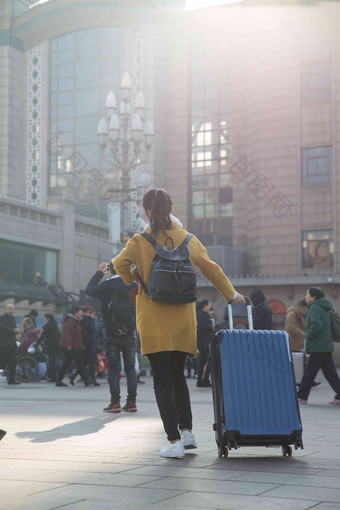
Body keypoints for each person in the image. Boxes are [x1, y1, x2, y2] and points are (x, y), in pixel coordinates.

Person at [113, 188, 245, 458]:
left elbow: (118, 265)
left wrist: (137, 281)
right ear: (172, 210)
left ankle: (172, 441)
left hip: (153, 319)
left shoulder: (139, 241)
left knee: (161, 378)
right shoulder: (189, 238)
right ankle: (187, 433)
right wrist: (232, 295)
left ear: (148, 211)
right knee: (178, 376)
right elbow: (212, 268)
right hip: (184, 320)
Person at [85, 262, 138, 412]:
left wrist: (98, 273)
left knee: (113, 368)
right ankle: (132, 402)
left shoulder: (106, 285)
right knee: (130, 368)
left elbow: (89, 290)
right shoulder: (133, 284)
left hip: (111, 331)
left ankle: (115, 403)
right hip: (129, 331)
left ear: (110, 270)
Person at [298, 287, 340, 405]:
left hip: (318, 346)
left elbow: (317, 325)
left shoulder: (315, 308)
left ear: (313, 297)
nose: (305, 297)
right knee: (330, 373)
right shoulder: (324, 307)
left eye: (307, 294)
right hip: (325, 344)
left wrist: (308, 335)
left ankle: (302, 396)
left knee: (309, 372)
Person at [56, 305, 91, 387]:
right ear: (75, 313)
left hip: (74, 346)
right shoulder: (71, 321)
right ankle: (86, 380)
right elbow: (68, 333)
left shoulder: (75, 320)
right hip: (71, 346)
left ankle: (59, 380)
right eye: (80, 311)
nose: (81, 313)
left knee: (66, 363)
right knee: (79, 363)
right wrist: (68, 344)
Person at [69, 306, 100, 386]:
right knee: (85, 363)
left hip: (92, 344)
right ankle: (75, 377)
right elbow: (82, 333)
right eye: (90, 312)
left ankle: (92, 379)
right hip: (86, 344)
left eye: (93, 312)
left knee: (91, 362)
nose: (92, 314)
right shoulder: (83, 320)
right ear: (85, 312)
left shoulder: (91, 320)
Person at [0, 304, 21, 385]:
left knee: (13, 362)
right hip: (4, 344)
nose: (11, 311)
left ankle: (11, 379)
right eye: (10, 309)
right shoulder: (2, 318)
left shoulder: (13, 318)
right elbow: (3, 328)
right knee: (2, 362)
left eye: (12, 309)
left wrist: (17, 331)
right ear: (6, 309)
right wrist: (14, 330)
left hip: (12, 344)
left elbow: (14, 328)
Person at [37, 313, 61, 382]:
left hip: (52, 346)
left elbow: (43, 336)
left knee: (52, 362)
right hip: (57, 346)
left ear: (48, 319)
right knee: (55, 361)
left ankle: (53, 378)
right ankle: (56, 376)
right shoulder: (55, 325)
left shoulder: (49, 326)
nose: (44, 320)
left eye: (45, 318)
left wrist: (37, 342)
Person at [196, 300, 215, 387]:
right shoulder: (202, 315)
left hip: (202, 342)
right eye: (209, 305)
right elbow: (202, 327)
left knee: (203, 361)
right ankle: (205, 380)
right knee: (210, 360)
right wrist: (211, 327)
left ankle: (200, 380)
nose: (210, 307)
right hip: (204, 342)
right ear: (205, 306)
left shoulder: (201, 314)